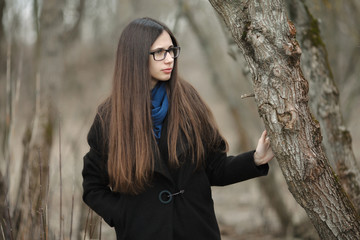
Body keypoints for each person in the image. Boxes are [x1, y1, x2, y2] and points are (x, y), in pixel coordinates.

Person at [82, 17, 274, 240]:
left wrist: (255, 160)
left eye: (172, 50)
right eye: (159, 52)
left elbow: (215, 168)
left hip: (197, 230)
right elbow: (93, 186)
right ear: (135, 57)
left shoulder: (188, 101)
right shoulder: (109, 117)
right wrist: (125, 215)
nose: (169, 59)